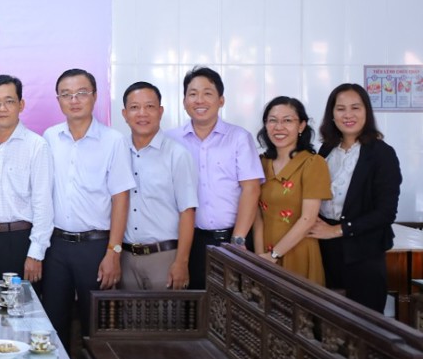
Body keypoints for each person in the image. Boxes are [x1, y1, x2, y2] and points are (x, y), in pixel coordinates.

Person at [41, 69, 134, 351]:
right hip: (56, 246)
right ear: (58, 100)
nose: (74, 100)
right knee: (53, 323)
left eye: (81, 93)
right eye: (66, 95)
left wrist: (113, 252)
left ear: (94, 96)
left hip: (95, 247)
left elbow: (121, 198)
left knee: (97, 325)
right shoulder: (50, 137)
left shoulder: (113, 140)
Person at [168, 67, 263, 289]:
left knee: (234, 303)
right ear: (184, 101)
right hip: (187, 242)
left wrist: (238, 240)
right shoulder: (171, 140)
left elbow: (251, 189)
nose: (199, 100)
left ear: (221, 100)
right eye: (192, 94)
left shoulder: (239, 138)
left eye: (207, 93)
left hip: (233, 239)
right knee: (194, 302)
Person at [310, 83, 401, 312]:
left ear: (366, 112)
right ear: (332, 115)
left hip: (364, 252)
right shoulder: (326, 150)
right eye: (340, 109)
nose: (348, 115)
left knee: (362, 321)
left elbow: (386, 213)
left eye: (355, 108)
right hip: (325, 249)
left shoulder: (382, 153)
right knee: (327, 319)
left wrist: (337, 230)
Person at [0, 74, 53, 284]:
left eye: (9, 101)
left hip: (19, 241)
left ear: (21, 105)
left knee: (18, 302)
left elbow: (43, 203)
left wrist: (35, 253)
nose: (2, 108)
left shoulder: (36, 145)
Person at [119, 81, 197, 291]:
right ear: (124, 114)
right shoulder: (117, 151)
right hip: (125, 258)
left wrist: (181, 262)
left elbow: (187, 211)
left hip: (164, 258)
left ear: (160, 111)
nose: (142, 113)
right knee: (126, 313)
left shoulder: (177, 154)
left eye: (150, 106)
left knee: (167, 313)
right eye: (134, 107)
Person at [253, 96, 331, 283]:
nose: (279, 127)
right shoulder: (260, 162)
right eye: (272, 120)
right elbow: (256, 216)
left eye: (287, 120)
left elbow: (308, 219)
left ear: (301, 126)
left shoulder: (313, 163)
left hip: (299, 251)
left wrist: (275, 254)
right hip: (265, 254)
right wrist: (260, 257)